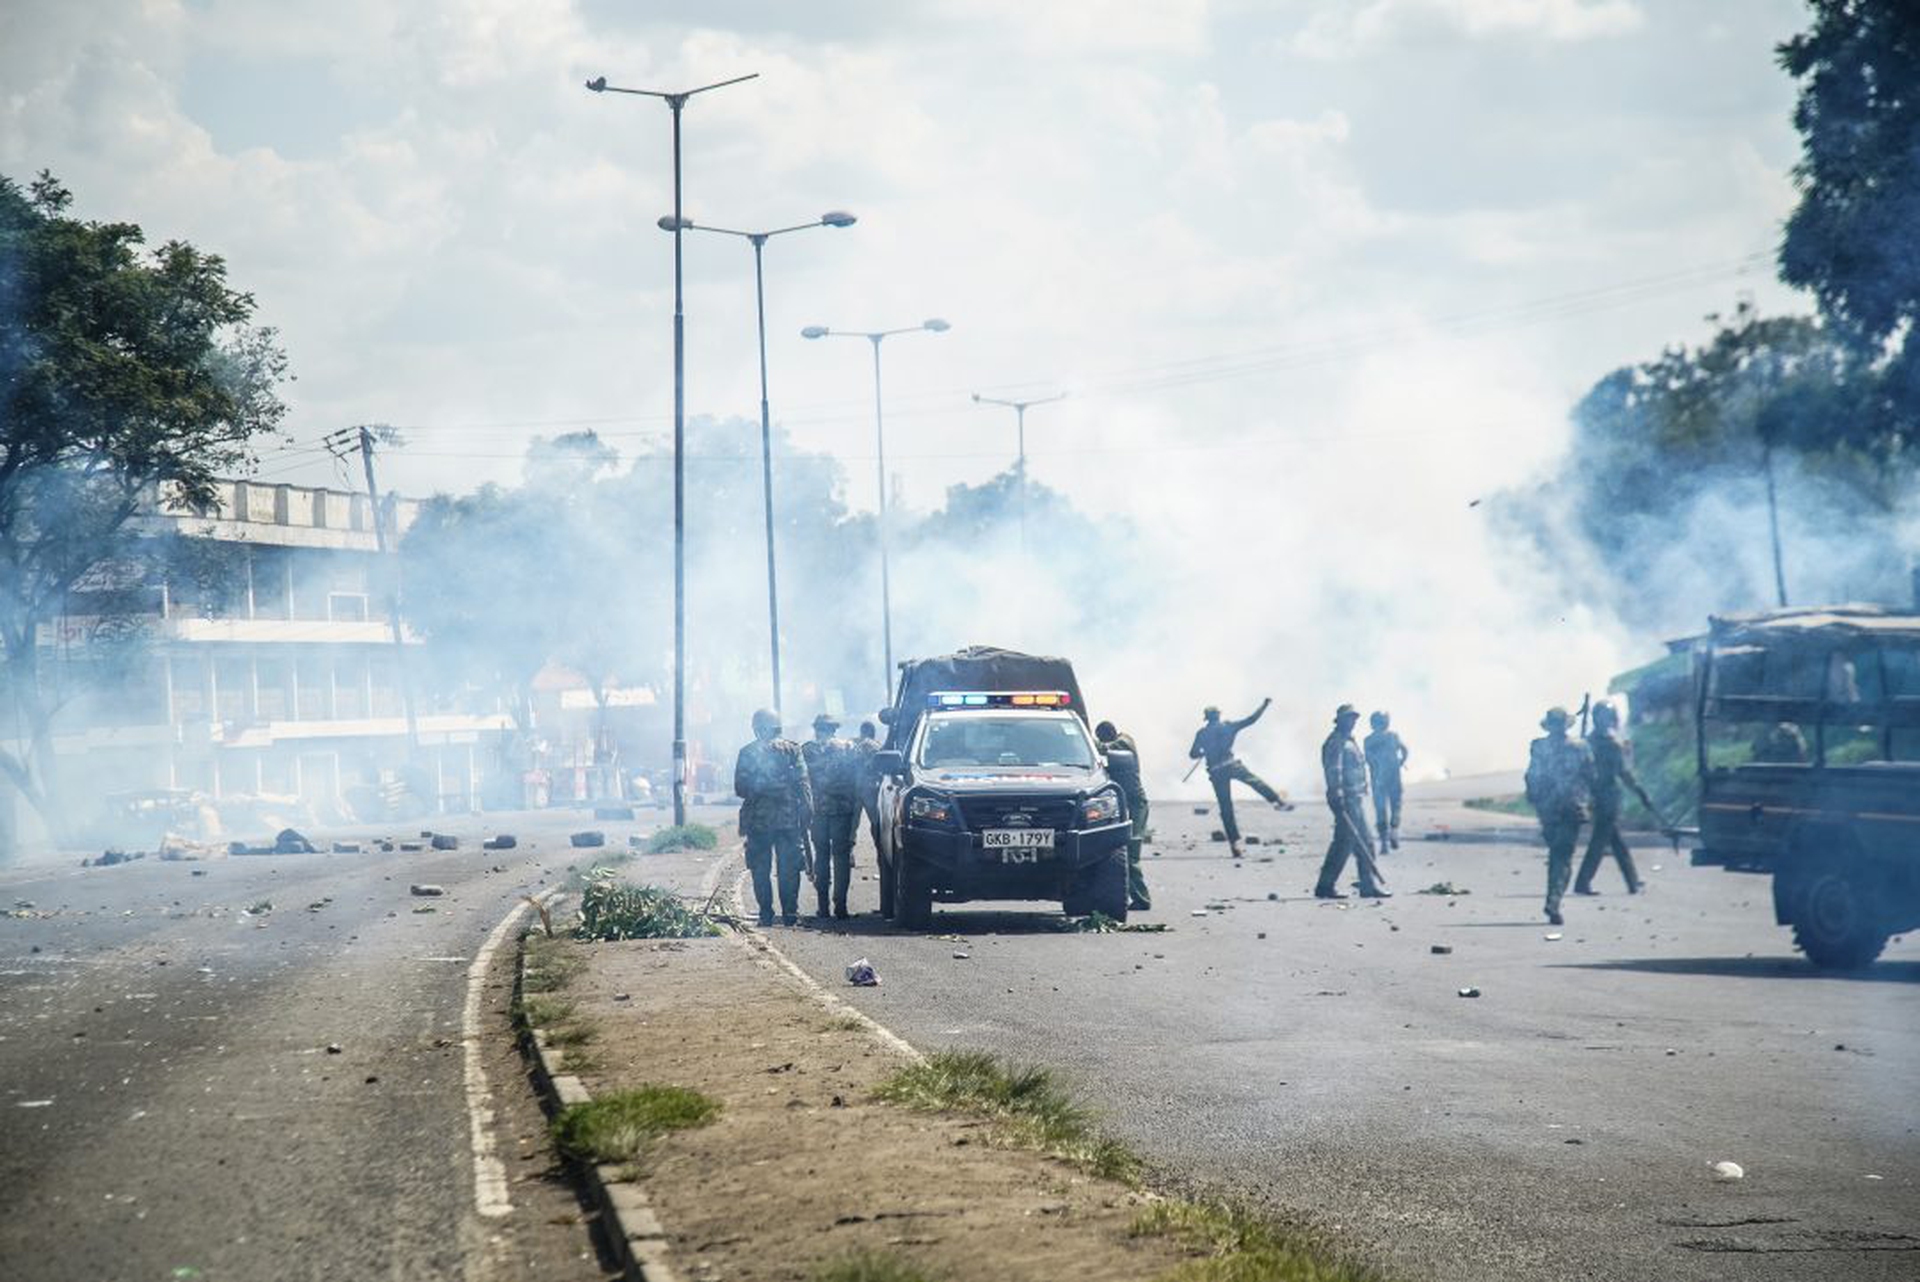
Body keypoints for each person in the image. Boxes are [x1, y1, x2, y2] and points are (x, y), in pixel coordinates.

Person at [734, 708, 813, 927]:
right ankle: (790, 915)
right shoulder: (793, 750)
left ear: (756, 728)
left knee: (760, 869)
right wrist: (808, 813)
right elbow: (803, 784)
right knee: (789, 869)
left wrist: (759, 789)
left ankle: (766, 914)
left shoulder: (747, 752)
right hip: (788, 820)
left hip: (758, 821)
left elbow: (740, 788)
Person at [1188, 699, 1290, 858]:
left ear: (1207, 718)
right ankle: (1277, 801)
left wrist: (1204, 752)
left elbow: (1193, 754)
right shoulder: (1228, 727)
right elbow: (1252, 719)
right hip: (1231, 765)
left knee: (1226, 807)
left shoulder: (1201, 733)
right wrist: (1264, 705)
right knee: (1255, 781)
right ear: (1218, 716)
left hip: (1216, 771)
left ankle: (1234, 844)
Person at [1525, 705, 1595, 926]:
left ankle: (1553, 900)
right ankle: (1553, 901)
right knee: (1562, 857)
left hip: (1547, 808)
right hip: (1571, 807)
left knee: (1557, 854)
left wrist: (1535, 798)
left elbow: (1531, 776)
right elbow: (1591, 775)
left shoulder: (1538, 746)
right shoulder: (1580, 747)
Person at [1573, 702, 1650, 896]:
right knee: (1600, 841)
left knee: (1615, 840)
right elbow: (1624, 773)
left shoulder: (1586, 743)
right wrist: (1640, 791)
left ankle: (1632, 881)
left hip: (1596, 796)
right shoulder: (1611, 744)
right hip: (1606, 796)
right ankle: (1583, 881)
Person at [1315, 704, 1389, 899]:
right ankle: (1324, 886)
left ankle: (1367, 886)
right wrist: (1338, 794)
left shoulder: (1350, 741)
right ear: (1339, 720)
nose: (1352, 721)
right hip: (1344, 798)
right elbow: (1334, 769)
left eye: (1354, 718)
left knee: (1365, 841)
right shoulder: (1336, 742)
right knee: (1343, 843)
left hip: (1354, 797)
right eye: (1348, 718)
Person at [801, 713, 860, 920]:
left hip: (817, 813)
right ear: (835, 729)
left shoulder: (807, 750)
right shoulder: (848, 748)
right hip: (842, 811)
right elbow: (857, 779)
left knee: (821, 857)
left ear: (816, 729)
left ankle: (823, 907)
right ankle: (841, 907)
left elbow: (801, 780)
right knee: (841, 858)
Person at [1095, 720, 1151, 912]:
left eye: (1102, 737)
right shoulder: (1117, 745)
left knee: (1131, 851)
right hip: (1122, 803)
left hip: (1136, 804)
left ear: (1108, 734)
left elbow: (1102, 748)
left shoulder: (1124, 742)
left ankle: (1142, 899)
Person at [1362, 711, 1409, 851]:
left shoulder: (1368, 740)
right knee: (1395, 807)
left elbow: (1368, 759)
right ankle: (1393, 833)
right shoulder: (1393, 736)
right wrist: (1400, 762)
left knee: (1380, 809)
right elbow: (1405, 750)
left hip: (1378, 780)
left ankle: (1384, 842)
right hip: (1393, 778)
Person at [852, 719, 884, 857]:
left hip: (854, 788)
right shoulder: (877, 745)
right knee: (876, 822)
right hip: (871, 788)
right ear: (873, 732)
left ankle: (849, 853)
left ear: (861, 731)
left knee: (852, 823)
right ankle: (880, 850)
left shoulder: (852, 744)